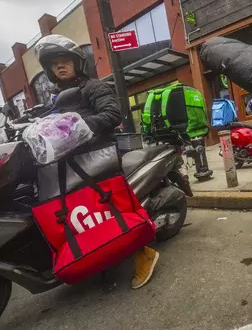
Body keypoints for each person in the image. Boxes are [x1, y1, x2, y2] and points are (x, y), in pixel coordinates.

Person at [35, 34, 159, 290]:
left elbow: (112, 114)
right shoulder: (55, 101)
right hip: (76, 165)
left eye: (65, 61)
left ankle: (143, 253)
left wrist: (77, 127)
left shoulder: (93, 87)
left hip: (100, 159)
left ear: (77, 63)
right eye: (54, 63)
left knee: (111, 211)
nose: (60, 66)